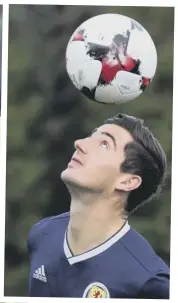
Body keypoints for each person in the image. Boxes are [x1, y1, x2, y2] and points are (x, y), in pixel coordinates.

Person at [28, 113, 170, 298]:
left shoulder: (150, 281)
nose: (79, 143)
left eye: (104, 144)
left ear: (128, 181)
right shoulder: (41, 234)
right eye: (90, 136)